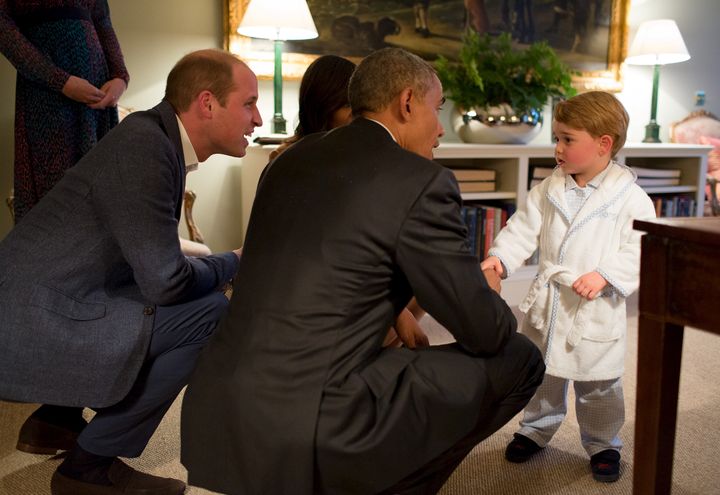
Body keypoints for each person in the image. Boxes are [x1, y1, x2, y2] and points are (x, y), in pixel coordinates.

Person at [181, 47, 545, 495]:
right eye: (438, 108)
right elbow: (485, 332)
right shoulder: (421, 182)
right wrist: (487, 292)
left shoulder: (287, 161)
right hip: (315, 421)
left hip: (218, 406)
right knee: (521, 357)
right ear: (408, 102)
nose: (440, 129)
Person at [0, 48, 262, 495]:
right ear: (207, 102)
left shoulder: (152, 137)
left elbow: (148, 260)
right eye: (249, 103)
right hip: (32, 319)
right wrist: (235, 261)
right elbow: (167, 282)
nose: (256, 119)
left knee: (174, 301)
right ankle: (88, 467)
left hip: (48, 298)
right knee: (209, 313)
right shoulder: (147, 146)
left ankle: (54, 421)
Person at [480, 91, 657, 482]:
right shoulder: (549, 189)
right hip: (551, 302)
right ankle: (535, 429)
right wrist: (501, 258)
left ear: (603, 144)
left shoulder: (631, 199)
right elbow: (522, 228)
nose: (557, 148)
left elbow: (640, 246)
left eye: (567, 139)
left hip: (595, 307)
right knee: (543, 374)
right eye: (556, 138)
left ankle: (604, 442)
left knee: (599, 384)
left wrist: (607, 274)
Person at [0, 0, 129, 222]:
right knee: (55, 196)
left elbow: (103, 21)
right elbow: (3, 28)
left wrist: (120, 77)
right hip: (47, 96)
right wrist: (60, 81)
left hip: (97, 99)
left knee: (101, 193)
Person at [269, 54, 356, 160]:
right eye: (348, 105)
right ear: (323, 105)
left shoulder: (362, 153)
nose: (357, 113)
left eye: (359, 103)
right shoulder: (284, 157)